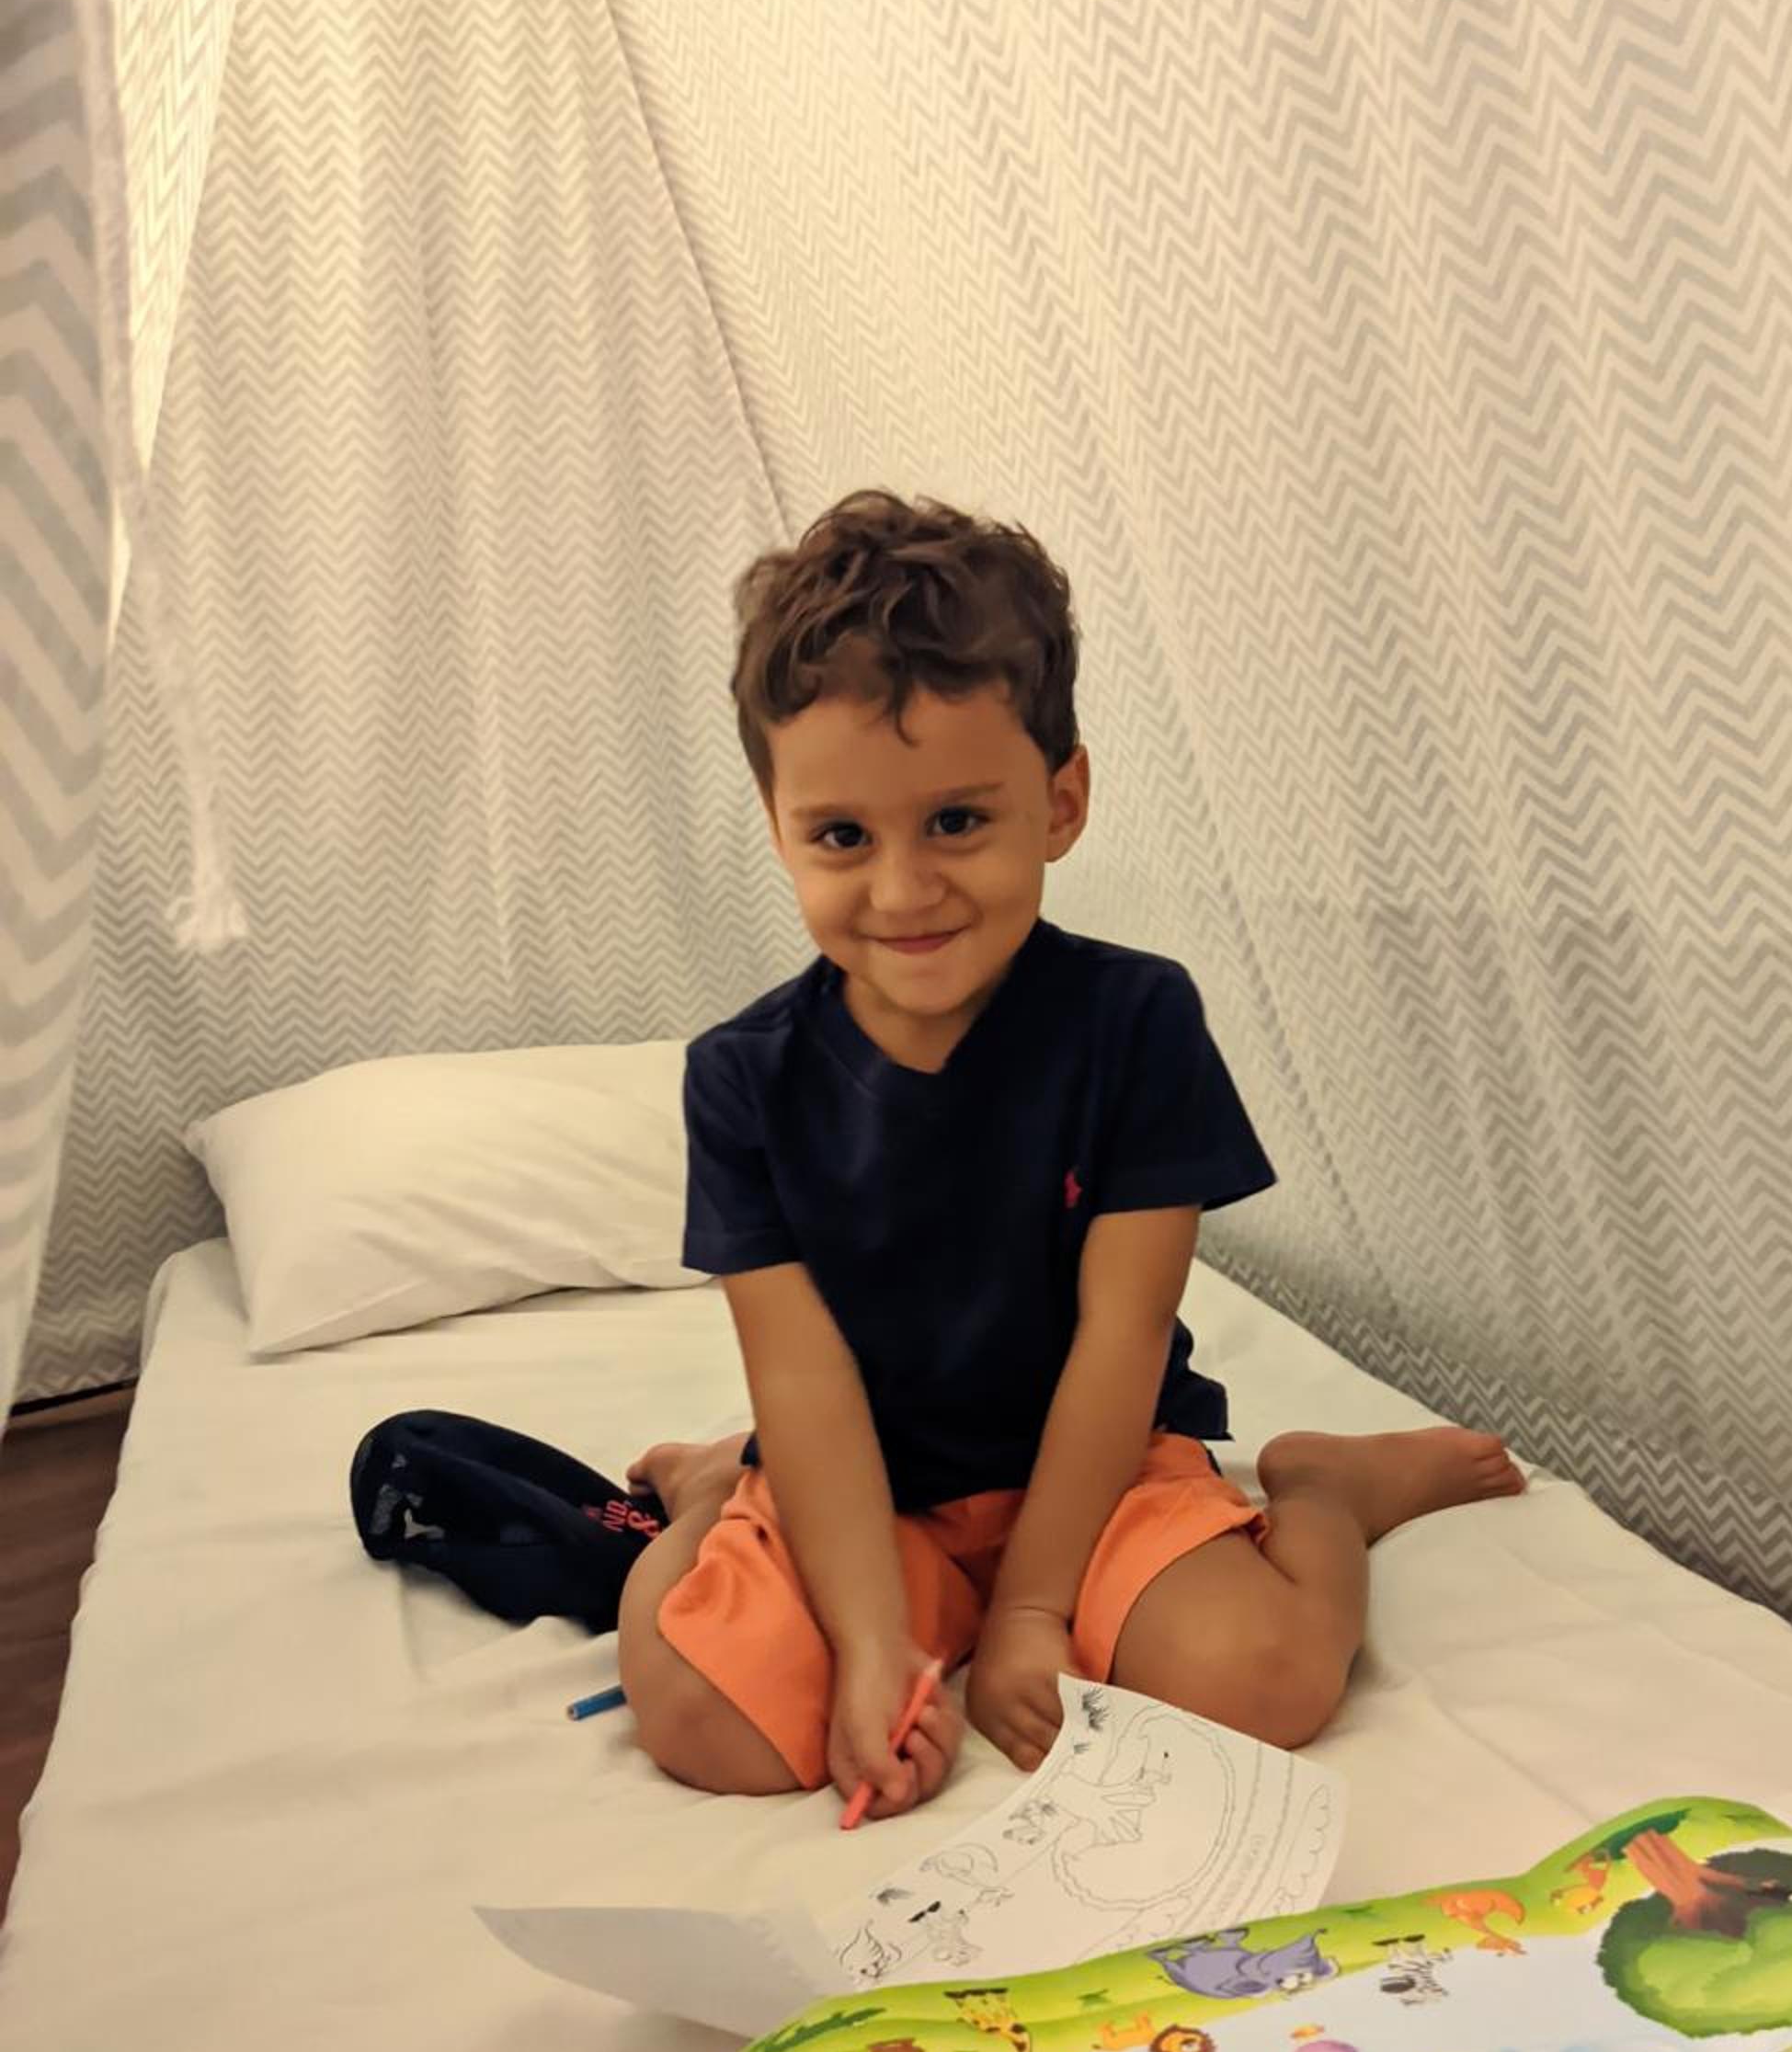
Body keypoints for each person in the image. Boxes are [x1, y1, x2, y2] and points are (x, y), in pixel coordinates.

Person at [619, 490, 1523, 1818]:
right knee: (708, 1723)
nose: (902, 890)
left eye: (956, 822)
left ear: (1061, 801)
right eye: (842, 837)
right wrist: (869, 1644)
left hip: (1097, 1465)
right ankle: (713, 1486)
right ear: (778, 827)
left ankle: (1327, 1487)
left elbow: (1122, 1332)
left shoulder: (1133, 1021)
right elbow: (804, 1375)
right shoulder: (740, 1079)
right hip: (871, 1488)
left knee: (1265, 1682)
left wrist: (1035, 1607)